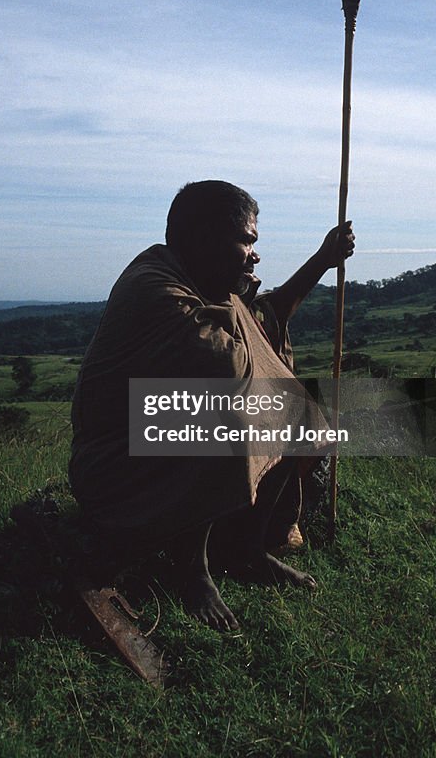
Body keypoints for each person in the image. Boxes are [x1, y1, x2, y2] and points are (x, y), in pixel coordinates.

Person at [70, 180, 354, 631]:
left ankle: (245, 548)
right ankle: (192, 569)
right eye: (246, 241)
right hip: (114, 472)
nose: (254, 254)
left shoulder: (197, 280)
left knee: (299, 412)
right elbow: (230, 368)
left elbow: (266, 319)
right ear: (203, 238)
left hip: (154, 453)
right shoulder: (158, 290)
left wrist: (322, 260)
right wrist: (232, 298)